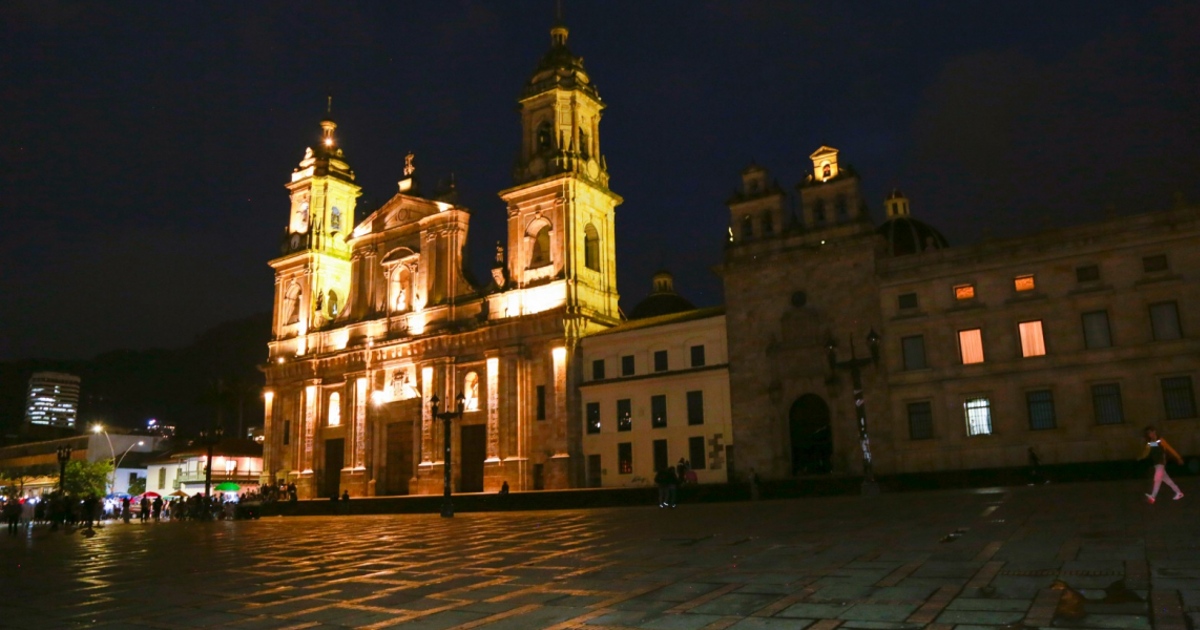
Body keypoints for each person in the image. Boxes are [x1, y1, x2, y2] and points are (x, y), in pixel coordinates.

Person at [1140, 426, 1184, 504]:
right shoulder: (1151, 443)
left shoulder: (1161, 441)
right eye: (1149, 433)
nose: (1151, 434)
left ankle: (1153, 497)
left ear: (1155, 432)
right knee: (1168, 481)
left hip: (1160, 464)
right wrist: (1140, 457)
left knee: (1157, 479)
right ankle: (1179, 492)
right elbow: (1146, 452)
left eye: (1152, 432)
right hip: (1157, 465)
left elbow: (1170, 449)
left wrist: (1178, 457)